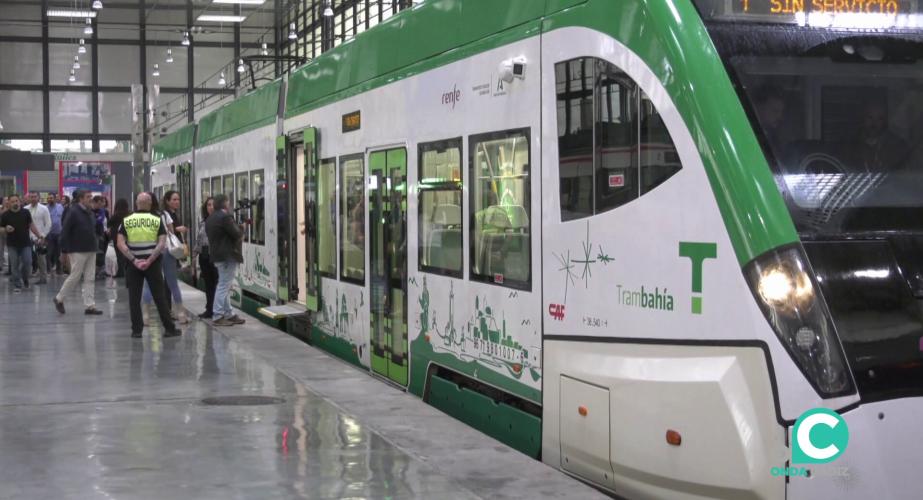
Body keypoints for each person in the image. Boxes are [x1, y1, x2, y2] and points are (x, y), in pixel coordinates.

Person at [116, 192, 179, 339]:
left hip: (133, 266)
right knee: (160, 297)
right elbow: (162, 243)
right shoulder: (157, 220)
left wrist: (134, 260)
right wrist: (150, 260)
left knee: (134, 298)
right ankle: (169, 329)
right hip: (153, 264)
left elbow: (121, 243)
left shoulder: (126, 220)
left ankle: (136, 331)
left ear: (136, 203)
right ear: (150, 204)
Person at [141, 190, 188, 324]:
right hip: (166, 251)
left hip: (150, 252)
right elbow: (171, 233)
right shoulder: (164, 214)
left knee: (148, 285)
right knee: (173, 283)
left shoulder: (140, 217)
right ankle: (181, 315)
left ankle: (146, 316)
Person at [53, 189, 102, 314]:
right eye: (88, 196)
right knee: (75, 276)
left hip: (91, 248)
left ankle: (90, 306)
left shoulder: (90, 212)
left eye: (91, 196)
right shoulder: (73, 211)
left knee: (90, 278)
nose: (91, 198)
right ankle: (59, 298)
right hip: (77, 249)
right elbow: (65, 232)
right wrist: (63, 251)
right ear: (81, 199)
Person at [205, 194, 245, 327]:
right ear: (225, 204)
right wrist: (242, 227)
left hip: (217, 256)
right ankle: (217, 315)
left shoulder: (210, 218)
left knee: (224, 285)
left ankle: (229, 314)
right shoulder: (225, 217)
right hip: (228, 256)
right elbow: (237, 234)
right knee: (223, 286)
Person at [0, 194, 43, 293]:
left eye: (16, 201)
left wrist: (39, 235)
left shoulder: (26, 212)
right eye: (12, 201)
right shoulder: (5, 215)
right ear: (9, 203)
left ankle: (25, 278)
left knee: (27, 262)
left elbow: (31, 225)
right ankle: (17, 284)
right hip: (12, 244)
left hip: (25, 243)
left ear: (19, 201)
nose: (15, 203)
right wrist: (6, 229)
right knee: (14, 265)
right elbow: (1, 228)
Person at [193, 197, 219, 319]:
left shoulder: (220, 220)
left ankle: (216, 309)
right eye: (208, 205)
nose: (211, 207)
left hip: (215, 256)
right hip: (204, 256)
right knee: (208, 284)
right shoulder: (203, 222)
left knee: (217, 284)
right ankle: (209, 309)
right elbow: (199, 240)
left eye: (213, 205)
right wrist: (194, 255)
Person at [26, 193, 51, 284]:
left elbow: (48, 224)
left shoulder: (44, 209)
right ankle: (26, 277)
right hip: (27, 237)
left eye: (35, 197)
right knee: (27, 258)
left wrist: (43, 236)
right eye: (31, 197)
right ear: (29, 198)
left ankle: (43, 278)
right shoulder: (25, 209)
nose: (33, 198)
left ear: (38, 198)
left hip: (40, 237)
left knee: (41, 259)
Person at [107, 198, 130, 279]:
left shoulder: (115, 215)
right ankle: (128, 270)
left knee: (119, 254)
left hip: (116, 236)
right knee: (127, 253)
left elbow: (109, 223)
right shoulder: (130, 214)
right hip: (127, 235)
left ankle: (121, 271)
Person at [46, 193, 64, 275]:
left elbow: (64, 219)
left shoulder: (60, 207)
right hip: (49, 234)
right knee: (49, 253)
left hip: (59, 233)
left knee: (58, 252)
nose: (50, 199)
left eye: (51, 198)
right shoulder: (45, 208)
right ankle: (48, 270)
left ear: (55, 198)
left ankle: (59, 270)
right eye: (49, 198)